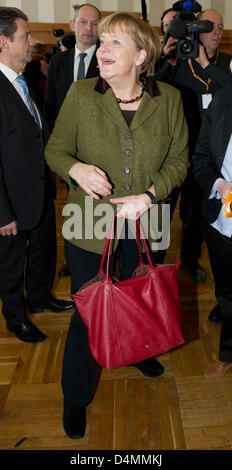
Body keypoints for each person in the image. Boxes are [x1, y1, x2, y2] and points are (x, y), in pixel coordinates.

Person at [45, 12, 188, 439]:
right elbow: (54, 149)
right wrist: (76, 169)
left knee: (143, 295)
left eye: (114, 43)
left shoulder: (170, 100)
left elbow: (180, 161)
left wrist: (149, 195)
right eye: (102, 41)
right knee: (89, 314)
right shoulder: (80, 94)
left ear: (141, 56)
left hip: (148, 220)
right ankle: (76, 396)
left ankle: (139, 349)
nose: (102, 49)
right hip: (90, 224)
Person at [0, 7, 74, 344]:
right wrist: (3, 213)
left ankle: (41, 296)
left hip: (40, 191)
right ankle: (16, 318)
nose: (32, 42)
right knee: (12, 266)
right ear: (3, 42)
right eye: (25, 36)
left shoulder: (23, 80)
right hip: (10, 203)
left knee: (44, 249)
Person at [156, 9, 232, 295]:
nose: (216, 32)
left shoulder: (226, 64)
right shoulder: (179, 59)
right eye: (209, 26)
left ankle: (189, 260)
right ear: (197, 30)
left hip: (209, 160)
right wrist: (167, 55)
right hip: (174, 154)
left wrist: (205, 64)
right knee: (163, 211)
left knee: (197, 215)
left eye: (221, 27)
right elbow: (155, 87)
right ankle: (156, 265)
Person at [45, 3, 101, 278]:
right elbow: (51, 106)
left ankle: (98, 256)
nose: (89, 29)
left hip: (96, 148)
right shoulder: (58, 62)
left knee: (96, 203)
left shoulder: (106, 60)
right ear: (72, 25)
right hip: (66, 151)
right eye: (84, 22)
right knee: (73, 203)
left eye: (94, 23)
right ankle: (77, 256)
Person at [192, 89, 232, 379]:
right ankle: (228, 352)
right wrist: (219, 184)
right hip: (222, 223)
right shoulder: (220, 103)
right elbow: (201, 158)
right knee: (227, 292)